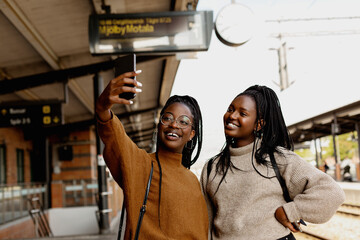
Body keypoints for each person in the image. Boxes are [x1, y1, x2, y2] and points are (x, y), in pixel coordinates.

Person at [200, 85, 345, 240]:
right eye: (230, 109)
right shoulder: (212, 167)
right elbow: (205, 220)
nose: (232, 116)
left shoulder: (279, 158)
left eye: (242, 113)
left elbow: (332, 193)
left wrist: (291, 211)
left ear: (259, 124)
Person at [96, 70, 208, 239]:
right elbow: (116, 138)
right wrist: (102, 107)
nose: (174, 125)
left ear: (192, 134)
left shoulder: (193, 181)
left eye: (183, 122)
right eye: (168, 118)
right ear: (159, 124)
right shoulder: (141, 163)